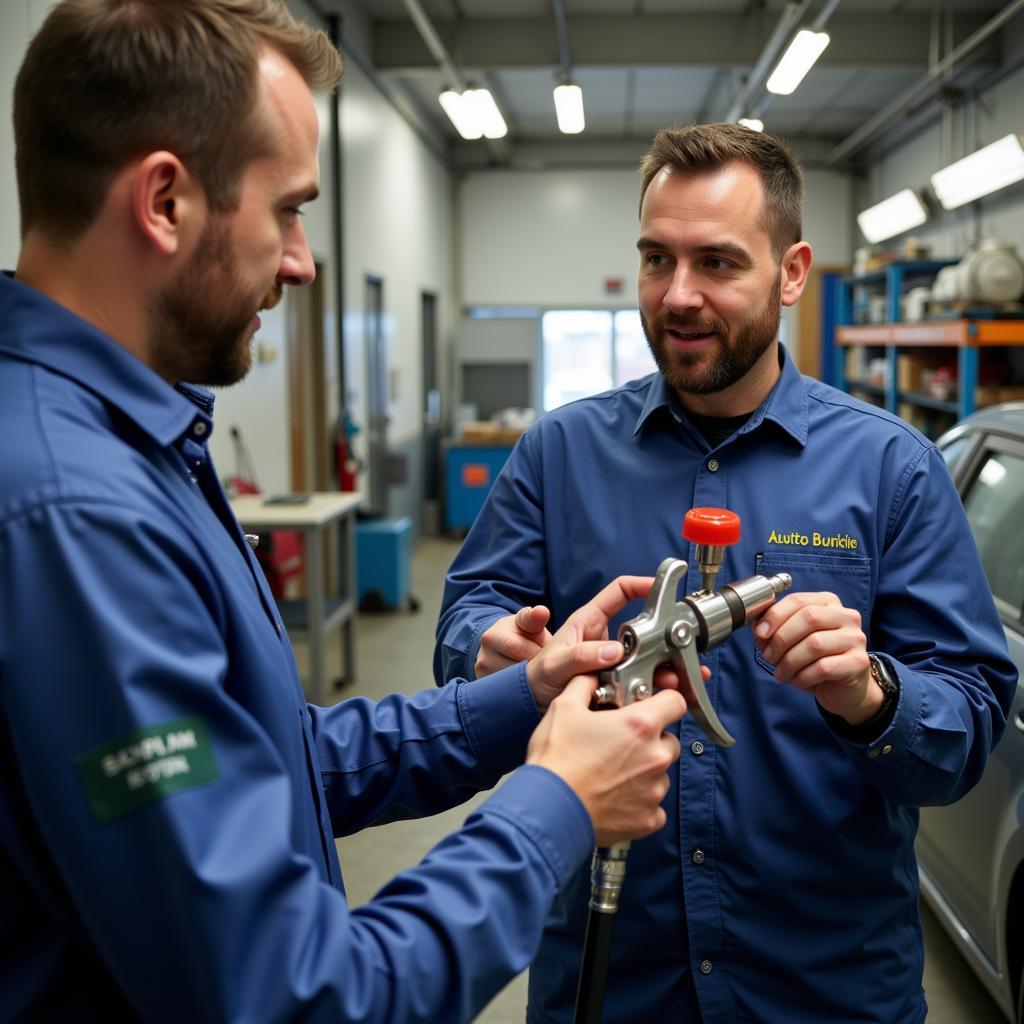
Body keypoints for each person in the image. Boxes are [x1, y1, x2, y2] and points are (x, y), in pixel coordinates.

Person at [0, 3, 690, 1021]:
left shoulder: (131, 450)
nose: (300, 260)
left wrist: (529, 696)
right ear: (164, 202)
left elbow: (272, 757)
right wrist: (559, 808)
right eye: (285, 209)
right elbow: (296, 998)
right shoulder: (73, 510)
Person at [435, 122, 1018, 1023]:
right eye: (656, 259)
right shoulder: (561, 452)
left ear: (791, 273)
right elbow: (466, 616)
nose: (679, 296)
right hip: (613, 979)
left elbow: (969, 726)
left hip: (826, 990)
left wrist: (869, 694)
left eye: (717, 263)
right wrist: (488, 649)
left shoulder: (891, 470)